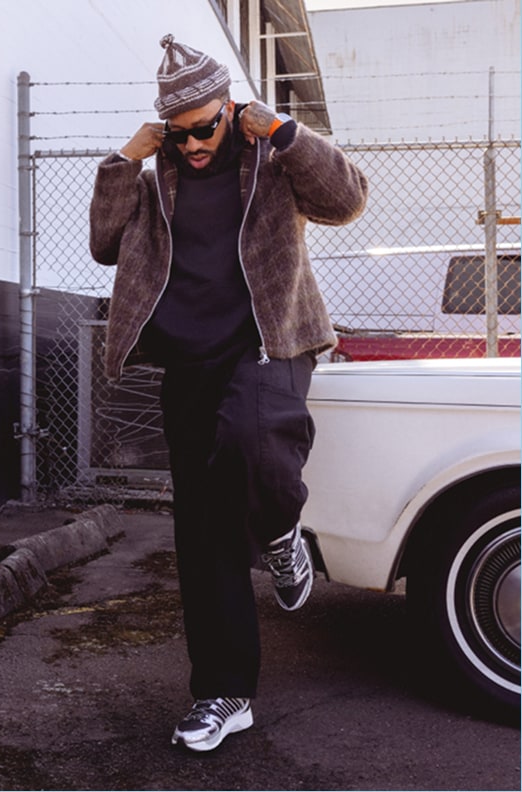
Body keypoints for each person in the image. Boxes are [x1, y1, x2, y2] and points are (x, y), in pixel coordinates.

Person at [89, 33, 368, 752]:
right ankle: (223, 692)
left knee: (258, 441)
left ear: (232, 111)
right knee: (204, 532)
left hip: (269, 342)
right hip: (189, 364)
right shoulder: (155, 183)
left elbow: (347, 200)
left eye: (204, 127)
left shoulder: (272, 163)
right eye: (178, 134)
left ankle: (280, 532)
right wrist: (125, 160)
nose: (194, 144)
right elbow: (102, 241)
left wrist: (286, 131)